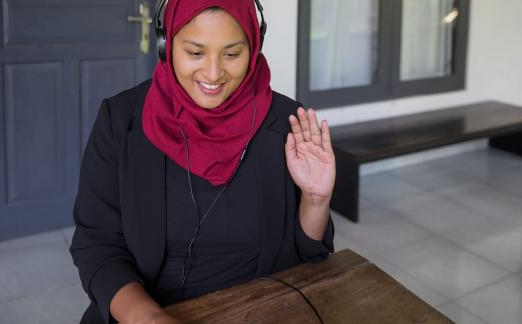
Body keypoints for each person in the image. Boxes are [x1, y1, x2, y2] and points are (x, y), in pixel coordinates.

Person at [70, 0, 335, 323]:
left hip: (258, 309)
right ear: (166, 45)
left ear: (254, 49)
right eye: (195, 53)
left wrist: (316, 200)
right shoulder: (121, 121)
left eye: (232, 54)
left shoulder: (286, 124)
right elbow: (96, 244)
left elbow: (310, 256)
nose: (213, 73)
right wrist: (150, 318)